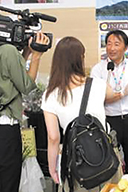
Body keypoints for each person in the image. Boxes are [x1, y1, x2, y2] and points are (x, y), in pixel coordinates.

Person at [0, 0, 49, 192]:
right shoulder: (7, 51)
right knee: (8, 183)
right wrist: (36, 55)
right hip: (4, 130)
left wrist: (26, 54)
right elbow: (26, 87)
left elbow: (5, 72)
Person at [41, 36, 122, 191]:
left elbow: (53, 138)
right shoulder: (98, 84)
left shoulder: (50, 95)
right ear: (81, 59)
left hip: (78, 161)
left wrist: (52, 168)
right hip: (106, 155)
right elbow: (112, 95)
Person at [91, 30, 128, 176]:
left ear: (126, 47)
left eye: (116, 44)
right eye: (109, 44)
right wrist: (121, 94)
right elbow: (96, 98)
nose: (111, 48)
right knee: (109, 162)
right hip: (109, 120)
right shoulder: (98, 70)